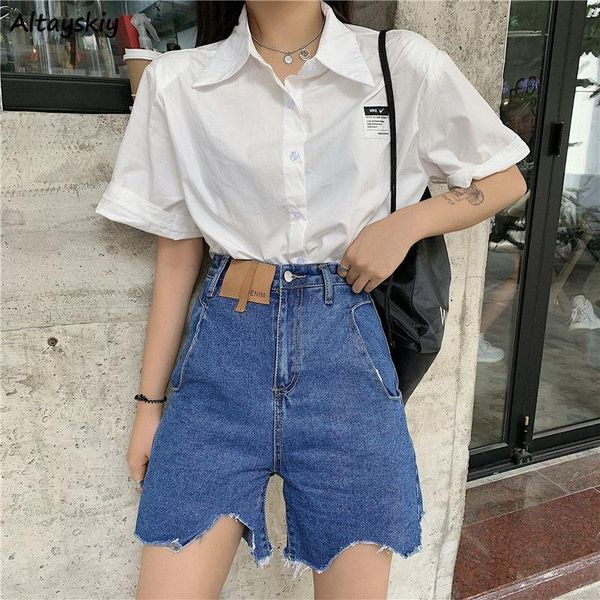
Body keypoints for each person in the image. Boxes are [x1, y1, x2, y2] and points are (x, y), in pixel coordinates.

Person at [95, 1, 530, 598]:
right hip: (220, 365)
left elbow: (503, 177)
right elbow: (176, 254)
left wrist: (405, 225)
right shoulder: (178, 82)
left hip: (346, 361)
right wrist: (149, 406)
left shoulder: (398, 63)